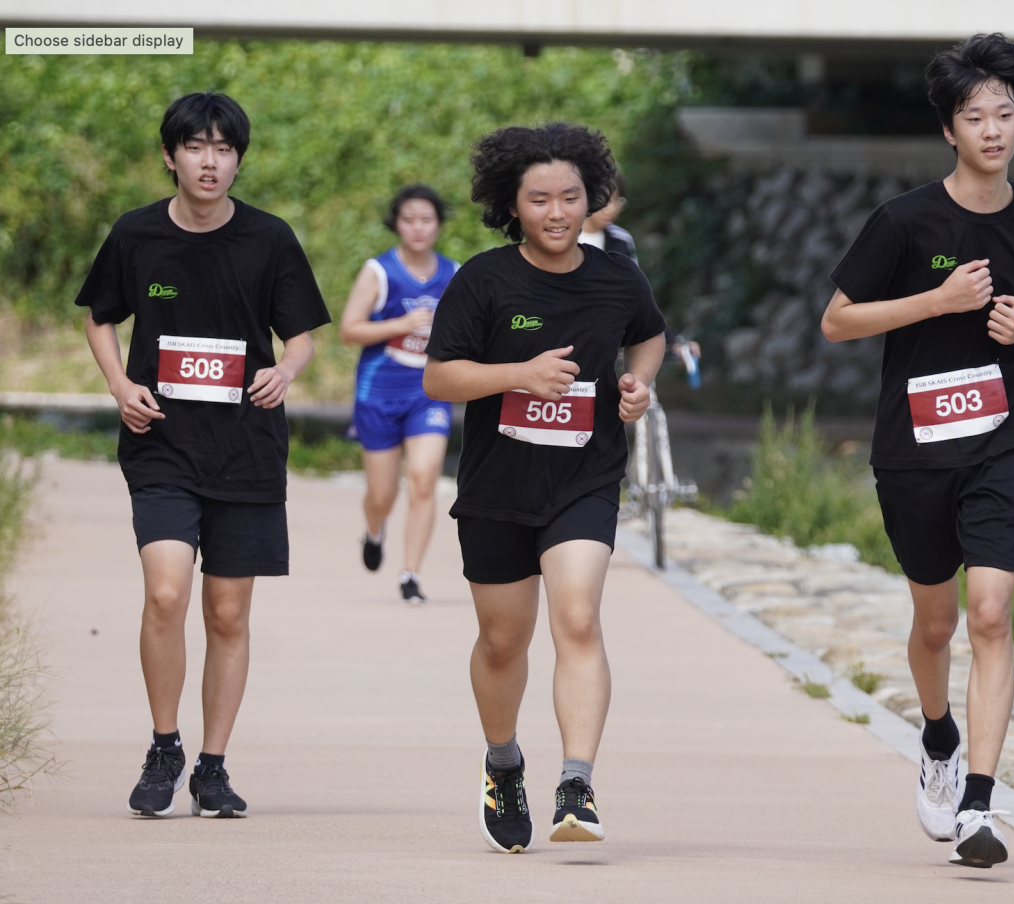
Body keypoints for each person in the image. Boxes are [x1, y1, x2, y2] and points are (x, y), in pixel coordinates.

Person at [821, 33, 1014, 869]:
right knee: (934, 622)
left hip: (1007, 430)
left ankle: (977, 807)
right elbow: (839, 320)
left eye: (1005, 114)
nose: (994, 129)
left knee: (990, 612)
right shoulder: (903, 222)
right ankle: (938, 738)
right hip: (917, 443)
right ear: (950, 130)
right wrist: (935, 301)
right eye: (977, 116)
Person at [76, 92, 330, 819]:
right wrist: (120, 384)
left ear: (238, 159)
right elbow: (99, 318)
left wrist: (287, 369)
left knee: (226, 613)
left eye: (223, 149)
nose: (209, 160)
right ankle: (164, 746)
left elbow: (304, 332)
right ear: (171, 155)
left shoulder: (270, 240)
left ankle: (213, 766)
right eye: (195, 147)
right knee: (165, 592)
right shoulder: (136, 235)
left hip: (247, 447)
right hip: (162, 444)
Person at [423, 123, 666, 853]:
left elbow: (648, 334)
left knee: (578, 615)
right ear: (513, 205)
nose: (558, 212)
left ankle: (578, 784)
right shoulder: (485, 280)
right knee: (503, 642)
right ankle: (504, 763)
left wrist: (638, 384)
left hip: (584, 477)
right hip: (499, 484)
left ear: (592, 199)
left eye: (571, 197)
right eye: (540, 200)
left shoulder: (618, 277)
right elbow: (440, 376)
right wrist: (516, 376)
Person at [340, 185, 458, 603]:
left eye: (427, 219)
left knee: (424, 480)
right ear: (397, 224)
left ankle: (411, 576)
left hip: (429, 392)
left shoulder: (454, 273)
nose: (418, 227)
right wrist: (401, 325)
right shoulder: (379, 271)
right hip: (379, 392)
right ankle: (374, 532)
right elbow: (349, 329)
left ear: (439, 224)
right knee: (382, 494)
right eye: (409, 219)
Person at [581, 173, 700, 365]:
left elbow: (635, 296)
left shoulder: (621, 240)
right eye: (605, 200)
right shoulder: (565, 239)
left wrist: (670, 340)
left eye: (618, 200)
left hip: (616, 336)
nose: (611, 208)